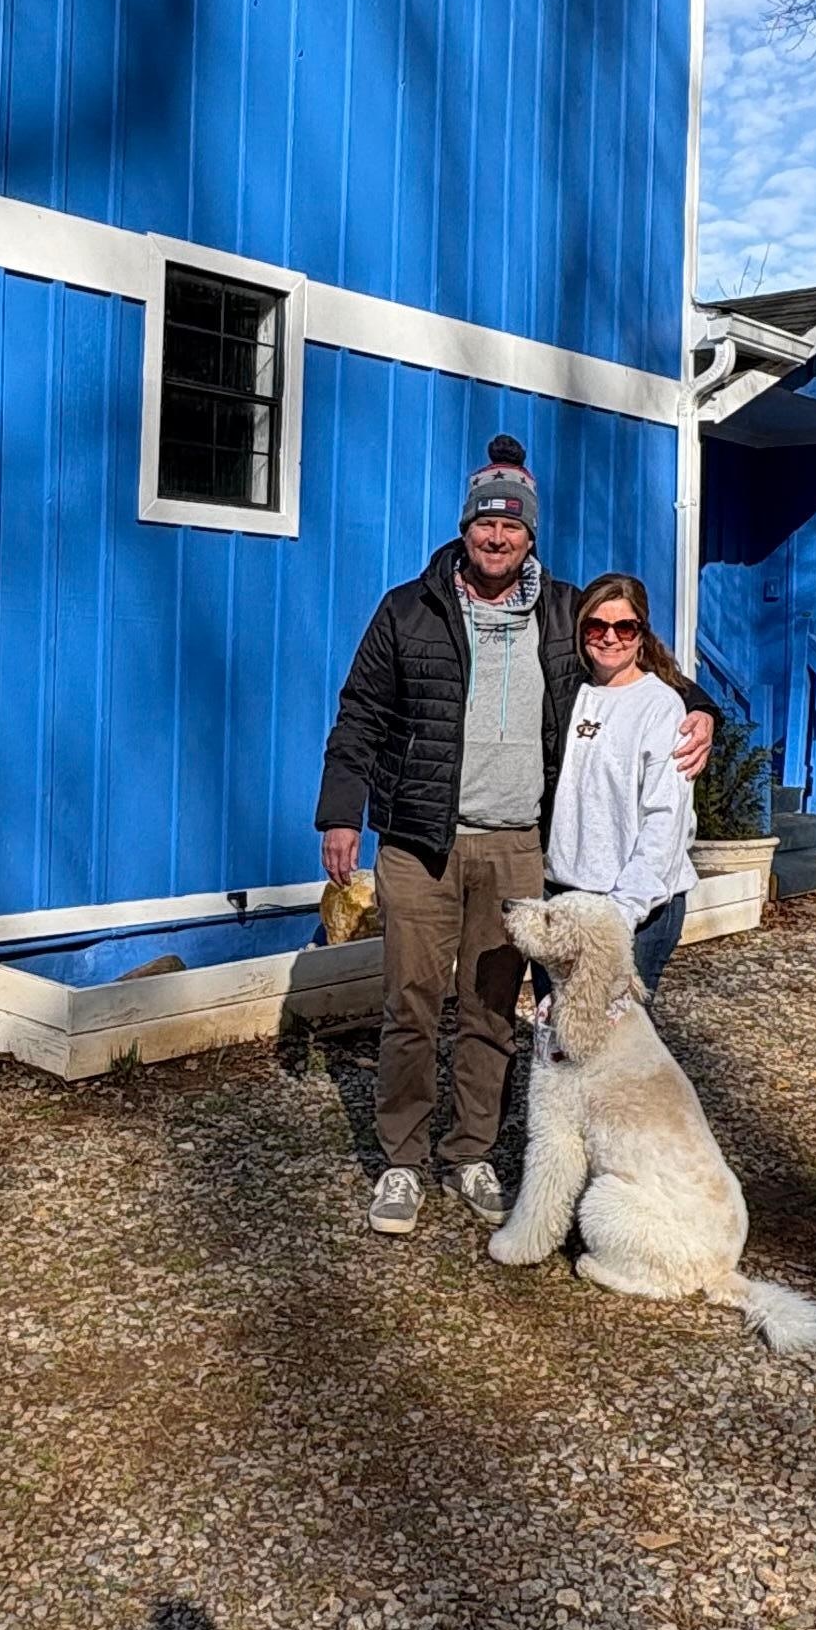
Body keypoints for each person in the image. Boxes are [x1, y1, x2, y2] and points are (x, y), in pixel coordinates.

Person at [318, 438, 710, 1235]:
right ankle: (400, 1159)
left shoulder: (566, 614)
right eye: (484, 525)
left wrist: (704, 709)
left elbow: (637, 657)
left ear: (531, 536)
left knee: (493, 1008)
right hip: (420, 843)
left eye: (513, 528)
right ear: (465, 529)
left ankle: (471, 1150)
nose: (497, 539)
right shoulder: (408, 609)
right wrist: (338, 812)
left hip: (516, 846)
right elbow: (359, 713)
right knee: (411, 1002)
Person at [547, 572, 699, 1001]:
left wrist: (622, 911)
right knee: (557, 1037)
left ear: (641, 635)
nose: (609, 638)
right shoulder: (569, 693)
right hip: (563, 896)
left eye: (624, 627)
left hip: (635, 910)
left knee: (616, 1051)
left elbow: (665, 820)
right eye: (596, 626)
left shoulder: (663, 706)